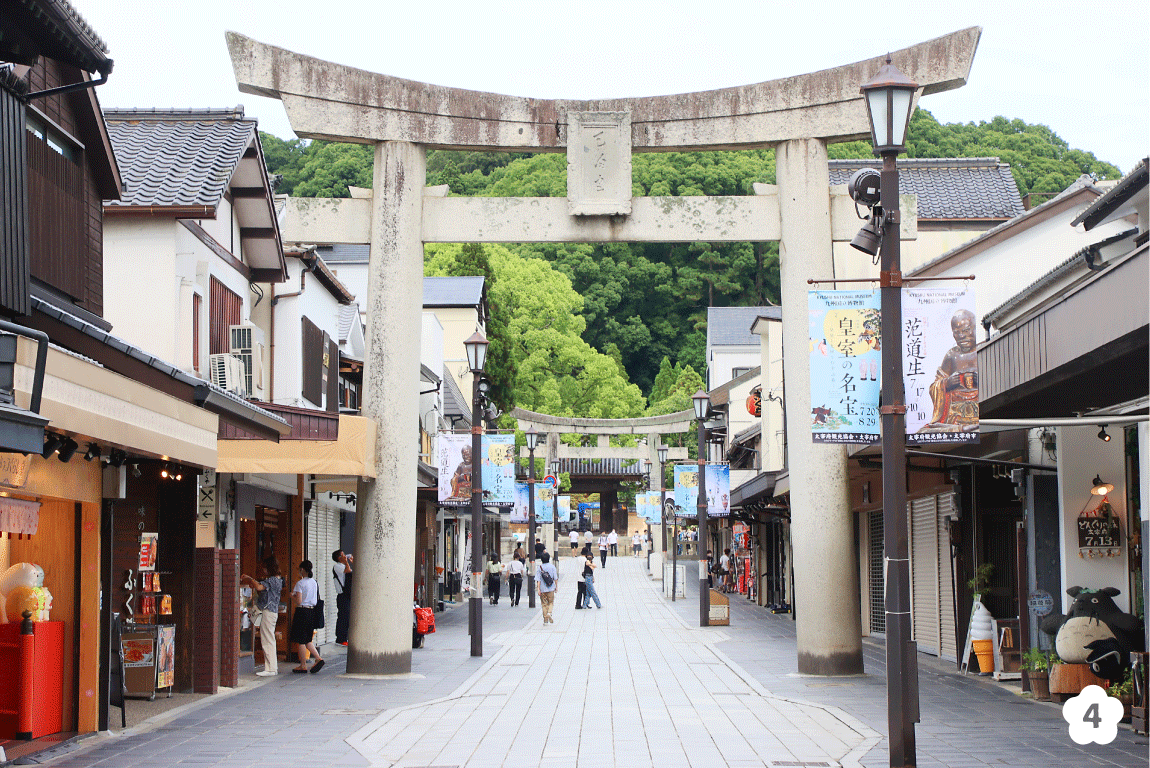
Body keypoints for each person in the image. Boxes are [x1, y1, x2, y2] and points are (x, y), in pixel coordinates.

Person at [920, 308, 979, 433]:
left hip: (980, 412)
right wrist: (946, 383)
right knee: (923, 432)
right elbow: (934, 387)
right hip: (954, 415)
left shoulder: (984, 351)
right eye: (957, 332)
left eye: (966, 330)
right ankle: (960, 428)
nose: (961, 336)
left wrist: (982, 381)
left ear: (974, 329)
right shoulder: (952, 356)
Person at [242, 556, 282, 676]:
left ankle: (270, 669)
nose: (264, 570)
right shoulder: (277, 579)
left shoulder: (272, 580)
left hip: (268, 611)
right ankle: (272, 667)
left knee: (267, 639)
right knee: (269, 638)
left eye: (265, 568)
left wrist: (249, 578)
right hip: (272, 612)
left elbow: (259, 587)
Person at [290, 560, 324, 673]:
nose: (299, 572)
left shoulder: (300, 583)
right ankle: (318, 658)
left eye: (299, 570)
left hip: (302, 612)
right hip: (312, 612)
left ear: (302, 570)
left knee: (301, 640)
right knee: (308, 639)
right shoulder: (314, 582)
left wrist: (292, 596)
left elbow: (299, 601)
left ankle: (303, 665)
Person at [331, 549, 353, 646]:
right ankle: (340, 638)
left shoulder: (343, 565)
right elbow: (347, 571)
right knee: (343, 617)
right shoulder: (337, 566)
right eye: (343, 555)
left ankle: (345, 638)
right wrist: (346, 562)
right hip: (342, 596)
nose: (345, 556)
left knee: (347, 617)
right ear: (339, 558)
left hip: (348, 595)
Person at [536, 552, 558, 624]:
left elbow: (538, 580)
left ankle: (545, 620)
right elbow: (555, 578)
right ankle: (549, 612)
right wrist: (556, 586)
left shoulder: (539, 568)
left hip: (543, 589)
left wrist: (538, 589)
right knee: (551, 602)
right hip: (551, 588)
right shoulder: (552, 567)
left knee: (544, 604)